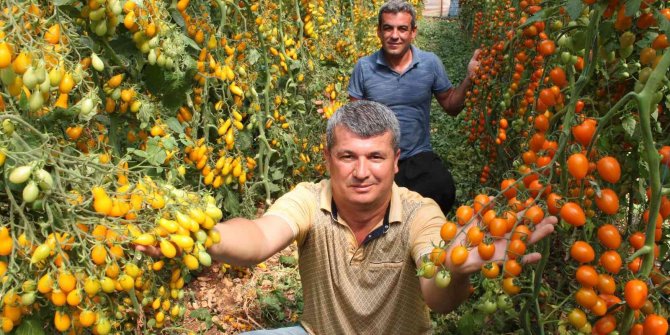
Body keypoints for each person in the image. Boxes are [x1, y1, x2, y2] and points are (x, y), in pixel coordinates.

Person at [137, 100, 556, 334]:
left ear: (396, 162)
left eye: (375, 156)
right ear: (328, 160)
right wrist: (204, 236)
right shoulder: (308, 199)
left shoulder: (419, 212)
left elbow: (437, 296)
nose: (361, 171)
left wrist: (456, 267)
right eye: (347, 156)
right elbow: (259, 238)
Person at [348, 0, 481, 215]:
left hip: (418, 155)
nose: (394, 35)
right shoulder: (364, 67)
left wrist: (469, 79)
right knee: (373, 208)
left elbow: (451, 106)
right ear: (379, 32)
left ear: (413, 32)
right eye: (388, 28)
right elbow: (354, 123)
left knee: (442, 189)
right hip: (378, 156)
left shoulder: (430, 63)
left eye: (402, 28)